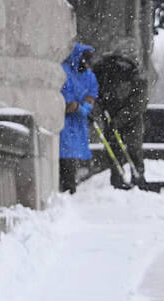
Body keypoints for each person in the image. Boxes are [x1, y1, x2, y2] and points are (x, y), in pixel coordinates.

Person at [91, 53, 148, 190]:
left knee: (133, 147)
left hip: (129, 118)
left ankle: (138, 177)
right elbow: (95, 94)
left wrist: (119, 119)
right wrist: (97, 111)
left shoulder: (134, 77)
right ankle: (117, 178)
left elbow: (138, 104)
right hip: (111, 115)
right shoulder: (104, 73)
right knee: (114, 147)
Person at [59, 42, 98, 194]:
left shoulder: (89, 76)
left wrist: (85, 106)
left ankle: (72, 185)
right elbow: (68, 103)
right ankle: (68, 188)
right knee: (66, 154)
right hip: (65, 123)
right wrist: (76, 107)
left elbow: (91, 95)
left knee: (76, 153)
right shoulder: (64, 72)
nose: (87, 66)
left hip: (79, 123)